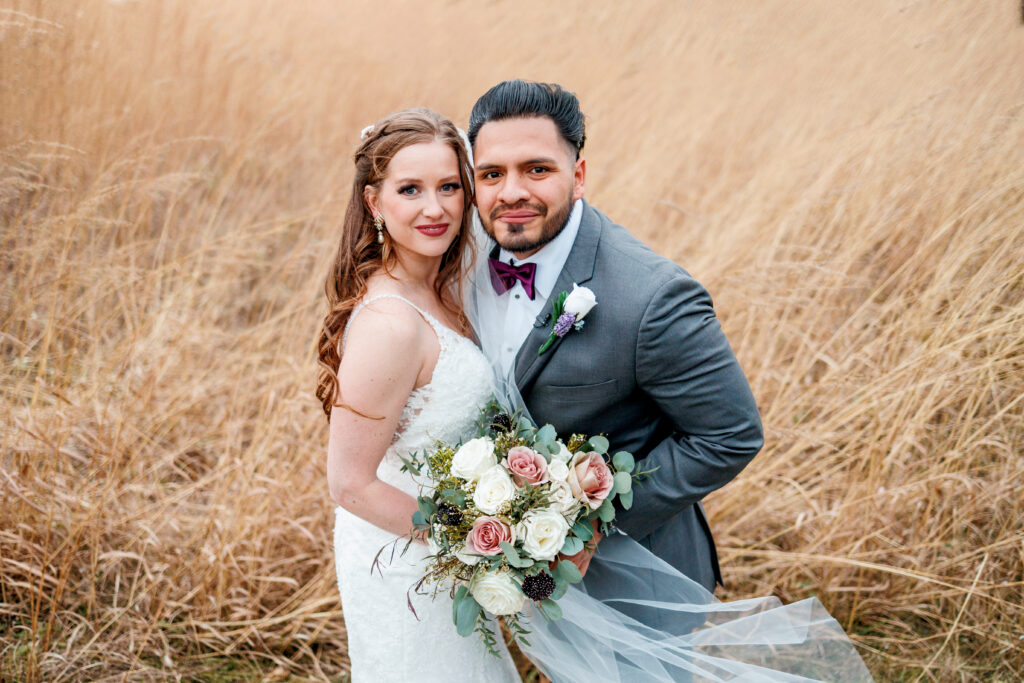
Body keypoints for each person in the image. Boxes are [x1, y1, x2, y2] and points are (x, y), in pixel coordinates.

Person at [466, 80, 873, 682]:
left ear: (579, 176)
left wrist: (588, 528)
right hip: (521, 574)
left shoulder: (649, 297)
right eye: (491, 174)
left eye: (536, 169)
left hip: (637, 582)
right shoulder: (464, 264)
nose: (512, 193)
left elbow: (731, 435)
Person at [316, 108, 520, 682]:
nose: (436, 208)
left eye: (449, 187)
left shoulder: (442, 288)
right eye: (411, 189)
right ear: (375, 203)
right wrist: (478, 541)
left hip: (441, 554)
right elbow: (349, 484)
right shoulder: (391, 324)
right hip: (405, 565)